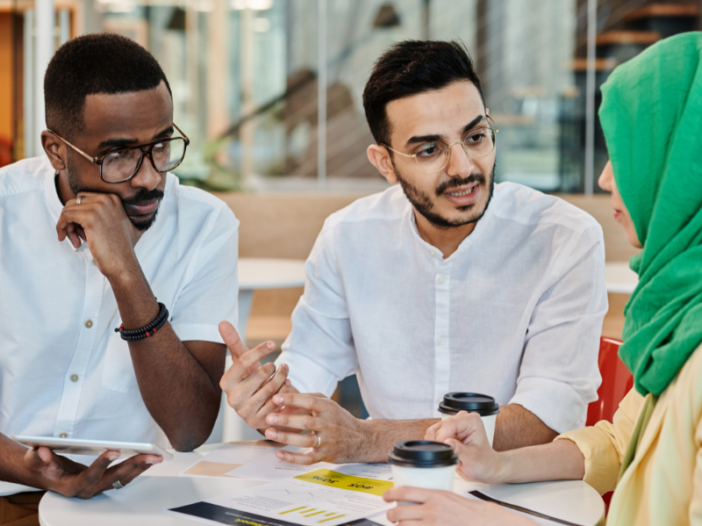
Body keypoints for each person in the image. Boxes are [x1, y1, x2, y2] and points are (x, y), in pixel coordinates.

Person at [219, 40, 608, 465]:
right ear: (384, 163)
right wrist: (271, 405)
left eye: (475, 137)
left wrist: (371, 439)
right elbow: (307, 369)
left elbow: (546, 418)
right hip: (382, 495)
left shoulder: (563, 238)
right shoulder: (348, 236)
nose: (463, 168)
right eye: (429, 150)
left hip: (519, 495)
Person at [383, 32, 702, 526]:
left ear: (684, 167)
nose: (603, 179)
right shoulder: (680, 309)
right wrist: (497, 462)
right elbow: (619, 443)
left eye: (625, 153)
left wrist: (482, 520)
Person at [0, 33, 239, 510]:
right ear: (55, 150)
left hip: (136, 504)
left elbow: (189, 429)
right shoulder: (5, 212)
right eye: (118, 155)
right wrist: (24, 466)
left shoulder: (205, 225)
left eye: (162, 145)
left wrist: (126, 274)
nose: (150, 176)